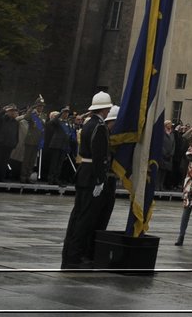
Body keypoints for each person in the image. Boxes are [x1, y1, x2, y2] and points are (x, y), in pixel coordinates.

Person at [59, 91, 114, 269]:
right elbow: (99, 155)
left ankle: (70, 254)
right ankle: (74, 257)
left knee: (77, 216)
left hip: (85, 172)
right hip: (91, 174)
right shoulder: (99, 126)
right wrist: (100, 179)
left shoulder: (90, 124)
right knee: (84, 218)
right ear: (105, 109)